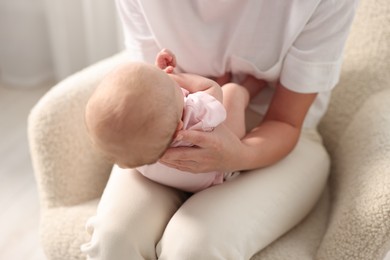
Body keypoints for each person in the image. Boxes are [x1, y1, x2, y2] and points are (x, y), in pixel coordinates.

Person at [81, 1, 359, 259]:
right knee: (114, 240)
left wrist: (237, 155)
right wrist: (226, 90)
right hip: (166, 133)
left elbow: (286, 121)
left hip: (276, 137)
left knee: (193, 250)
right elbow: (150, 107)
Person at [85, 48, 259, 193]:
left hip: (186, 181)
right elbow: (210, 88)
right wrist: (174, 79)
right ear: (179, 129)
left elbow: (149, 109)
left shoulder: (137, 152)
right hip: (218, 169)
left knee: (167, 104)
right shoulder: (195, 115)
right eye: (170, 83)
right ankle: (252, 87)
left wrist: (160, 83)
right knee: (232, 92)